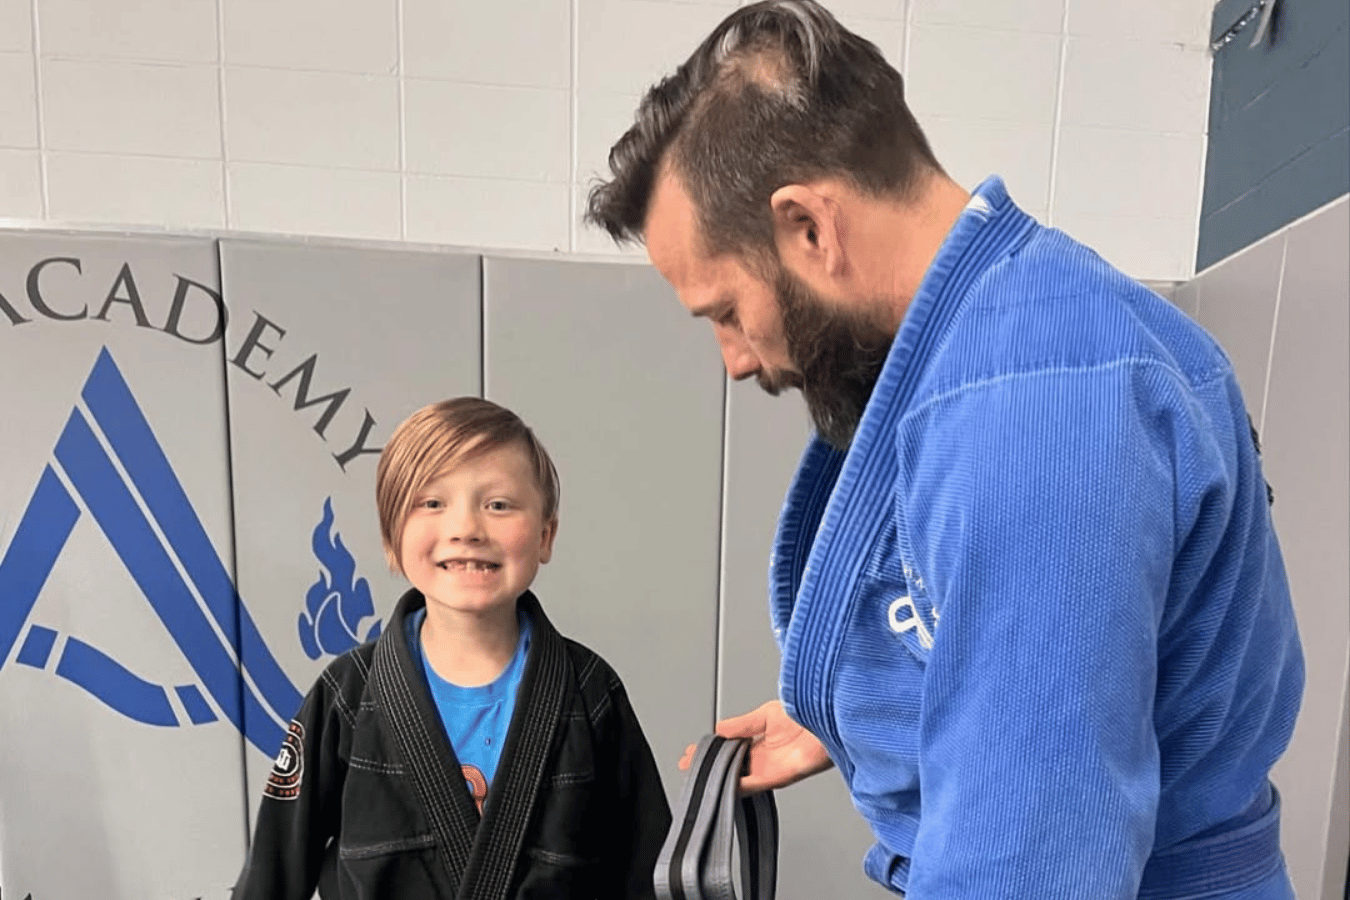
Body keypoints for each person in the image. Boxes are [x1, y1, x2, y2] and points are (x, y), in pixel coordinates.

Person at [583, 2, 1305, 898]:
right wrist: (858, 714)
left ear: (809, 226)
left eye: (727, 311)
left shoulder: (1030, 414)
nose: (735, 360)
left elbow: (1030, 871)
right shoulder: (1029, 322)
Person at [233, 397, 671, 899]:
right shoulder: (348, 696)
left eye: (499, 505)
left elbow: (647, 871)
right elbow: (274, 867)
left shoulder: (589, 692)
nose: (466, 529)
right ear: (391, 539)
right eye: (432, 503)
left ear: (546, 535)